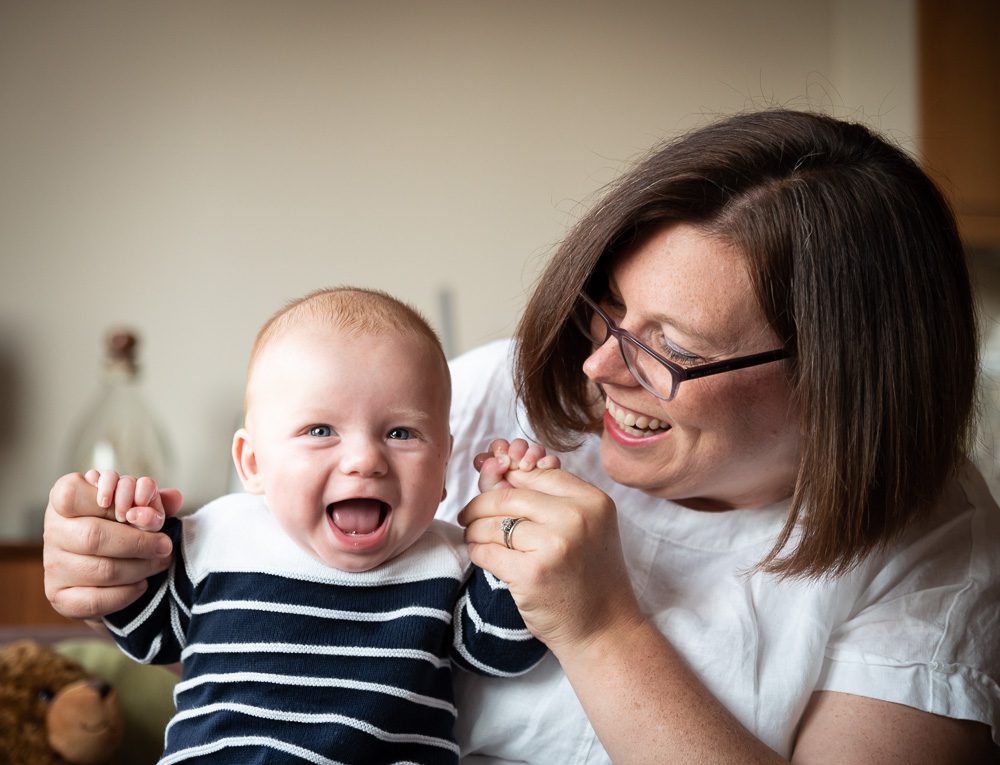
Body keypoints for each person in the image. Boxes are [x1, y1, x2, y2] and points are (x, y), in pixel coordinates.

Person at [43, 110, 1000, 764]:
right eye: (608, 310)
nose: (599, 369)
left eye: (667, 351)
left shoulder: (930, 548)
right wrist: (105, 569)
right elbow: (261, 607)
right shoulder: (502, 391)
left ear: (841, 384)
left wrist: (602, 627)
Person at [77, 287, 548, 765]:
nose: (365, 459)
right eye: (320, 431)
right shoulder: (215, 537)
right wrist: (124, 528)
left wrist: (510, 521)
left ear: (445, 464)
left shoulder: (446, 560)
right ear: (253, 462)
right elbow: (148, 638)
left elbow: (500, 652)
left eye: (401, 433)